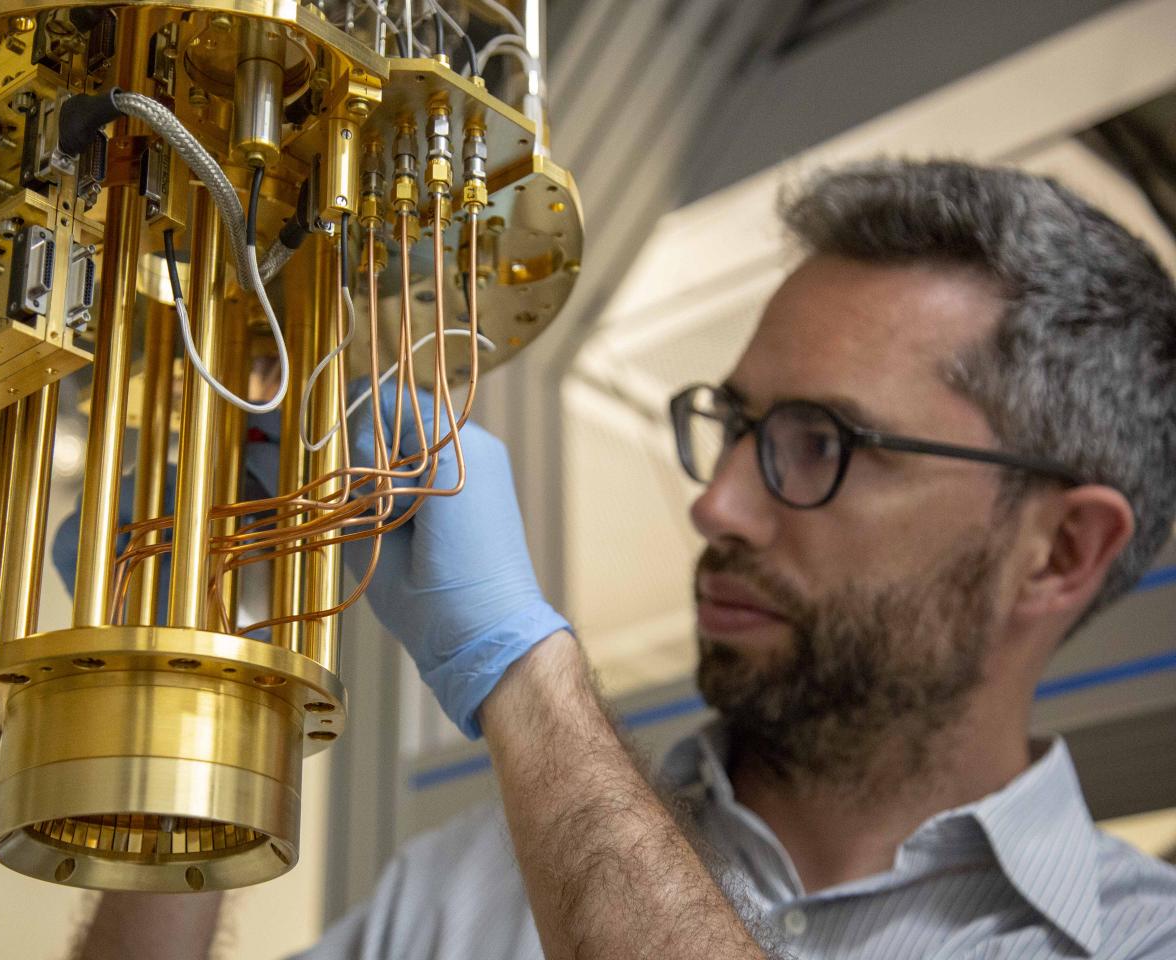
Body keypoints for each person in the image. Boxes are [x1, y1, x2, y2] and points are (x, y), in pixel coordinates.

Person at [70, 159, 1176, 959]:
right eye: (736, 425)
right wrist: (198, 684)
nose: (718, 502)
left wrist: (519, 666)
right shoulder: (472, 883)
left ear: (1058, 551)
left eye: (820, 444)